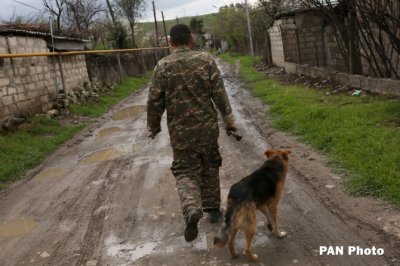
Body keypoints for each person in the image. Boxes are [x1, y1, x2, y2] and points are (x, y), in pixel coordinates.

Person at [147, 24, 238, 242]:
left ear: (170, 42)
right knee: (210, 165)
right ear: (190, 39)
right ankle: (213, 210)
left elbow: (154, 101)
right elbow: (219, 93)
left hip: (180, 133)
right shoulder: (206, 60)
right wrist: (229, 121)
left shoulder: (163, 66)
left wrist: (154, 126)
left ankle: (191, 208)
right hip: (207, 129)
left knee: (185, 171)